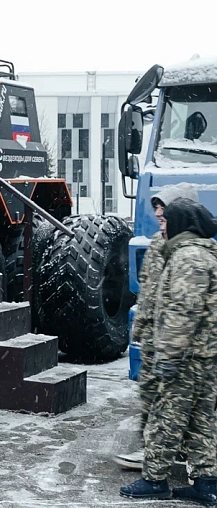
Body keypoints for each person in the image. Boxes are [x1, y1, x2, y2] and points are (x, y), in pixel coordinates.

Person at [120, 197, 217, 503]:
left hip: (186, 358)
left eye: (167, 221)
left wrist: (170, 356)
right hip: (204, 356)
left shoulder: (187, 258)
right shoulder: (202, 254)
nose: (163, 226)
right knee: (201, 421)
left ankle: (154, 479)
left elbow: (182, 312)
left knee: (166, 418)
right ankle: (206, 482)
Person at [115, 183, 199, 470]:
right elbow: (148, 290)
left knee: (179, 403)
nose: (159, 221)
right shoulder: (157, 243)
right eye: (158, 217)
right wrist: (140, 327)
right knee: (150, 395)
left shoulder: (189, 249)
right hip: (154, 335)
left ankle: (175, 455)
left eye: (165, 217)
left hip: (175, 339)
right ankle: (153, 449)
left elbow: (184, 302)